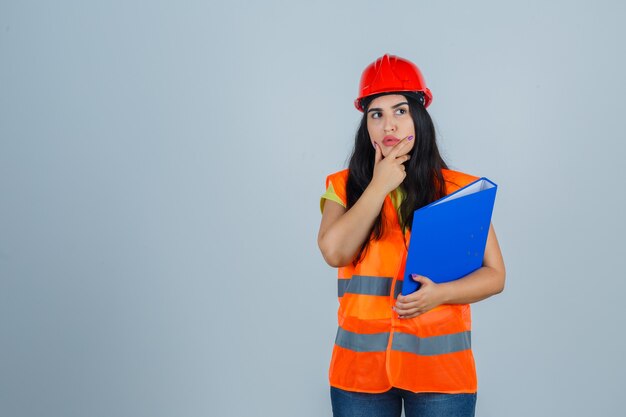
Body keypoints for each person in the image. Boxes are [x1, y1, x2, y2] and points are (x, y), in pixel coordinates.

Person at [317, 54, 506, 417]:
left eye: (400, 111)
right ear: (366, 126)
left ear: (419, 118)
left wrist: (442, 294)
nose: (389, 124)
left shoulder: (459, 190)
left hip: (440, 375)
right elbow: (334, 252)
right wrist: (378, 186)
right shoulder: (341, 187)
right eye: (377, 114)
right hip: (360, 376)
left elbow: (495, 275)